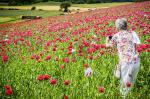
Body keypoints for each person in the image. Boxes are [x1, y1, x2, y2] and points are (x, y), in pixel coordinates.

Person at [106, 18, 141, 97]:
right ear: (126, 26)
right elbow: (136, 46)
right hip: (136, 61)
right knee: (131, 84)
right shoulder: (133, 33)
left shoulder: (116, 36)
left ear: (117, 27)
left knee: (124, 87)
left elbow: (108, 46)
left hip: (126, 63)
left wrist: (107, 40)